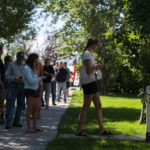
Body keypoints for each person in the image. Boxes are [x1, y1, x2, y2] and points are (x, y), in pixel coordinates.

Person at [76, 38, 112, 136]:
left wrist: (96, 67)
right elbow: (89, 71)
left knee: (98, 105)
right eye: (97, 45)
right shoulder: (87, 54)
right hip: (89, 83)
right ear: (93, 44)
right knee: (86, 107)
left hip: (92, 82)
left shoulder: (89, 54)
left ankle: (102, 130)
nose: (98, 47)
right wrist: (98, 67)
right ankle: (79, 130)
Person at [23, 53, 44, 133]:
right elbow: (31, 81)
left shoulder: (33, 68)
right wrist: (40, 78)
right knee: (30, 109)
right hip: (29, 89)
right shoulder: (26, 68)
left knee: (37, 108)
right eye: (36, 61)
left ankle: (35, 126)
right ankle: (28, 127)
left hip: (35, 89)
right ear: (32, 60)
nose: (37, 62)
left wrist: (39, 78)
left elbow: (34, 79)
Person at [5, 51, 25, 129]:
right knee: (11, 104)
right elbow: (7, 76)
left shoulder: (24, 66)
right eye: (20, 59)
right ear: (17, 58)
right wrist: (14, 78)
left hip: (22, 86)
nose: (21, 60)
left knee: (20, 105)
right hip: (13, 86)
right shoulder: (11, 64)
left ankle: (16, 122)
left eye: (22, 59)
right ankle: (8, 123)